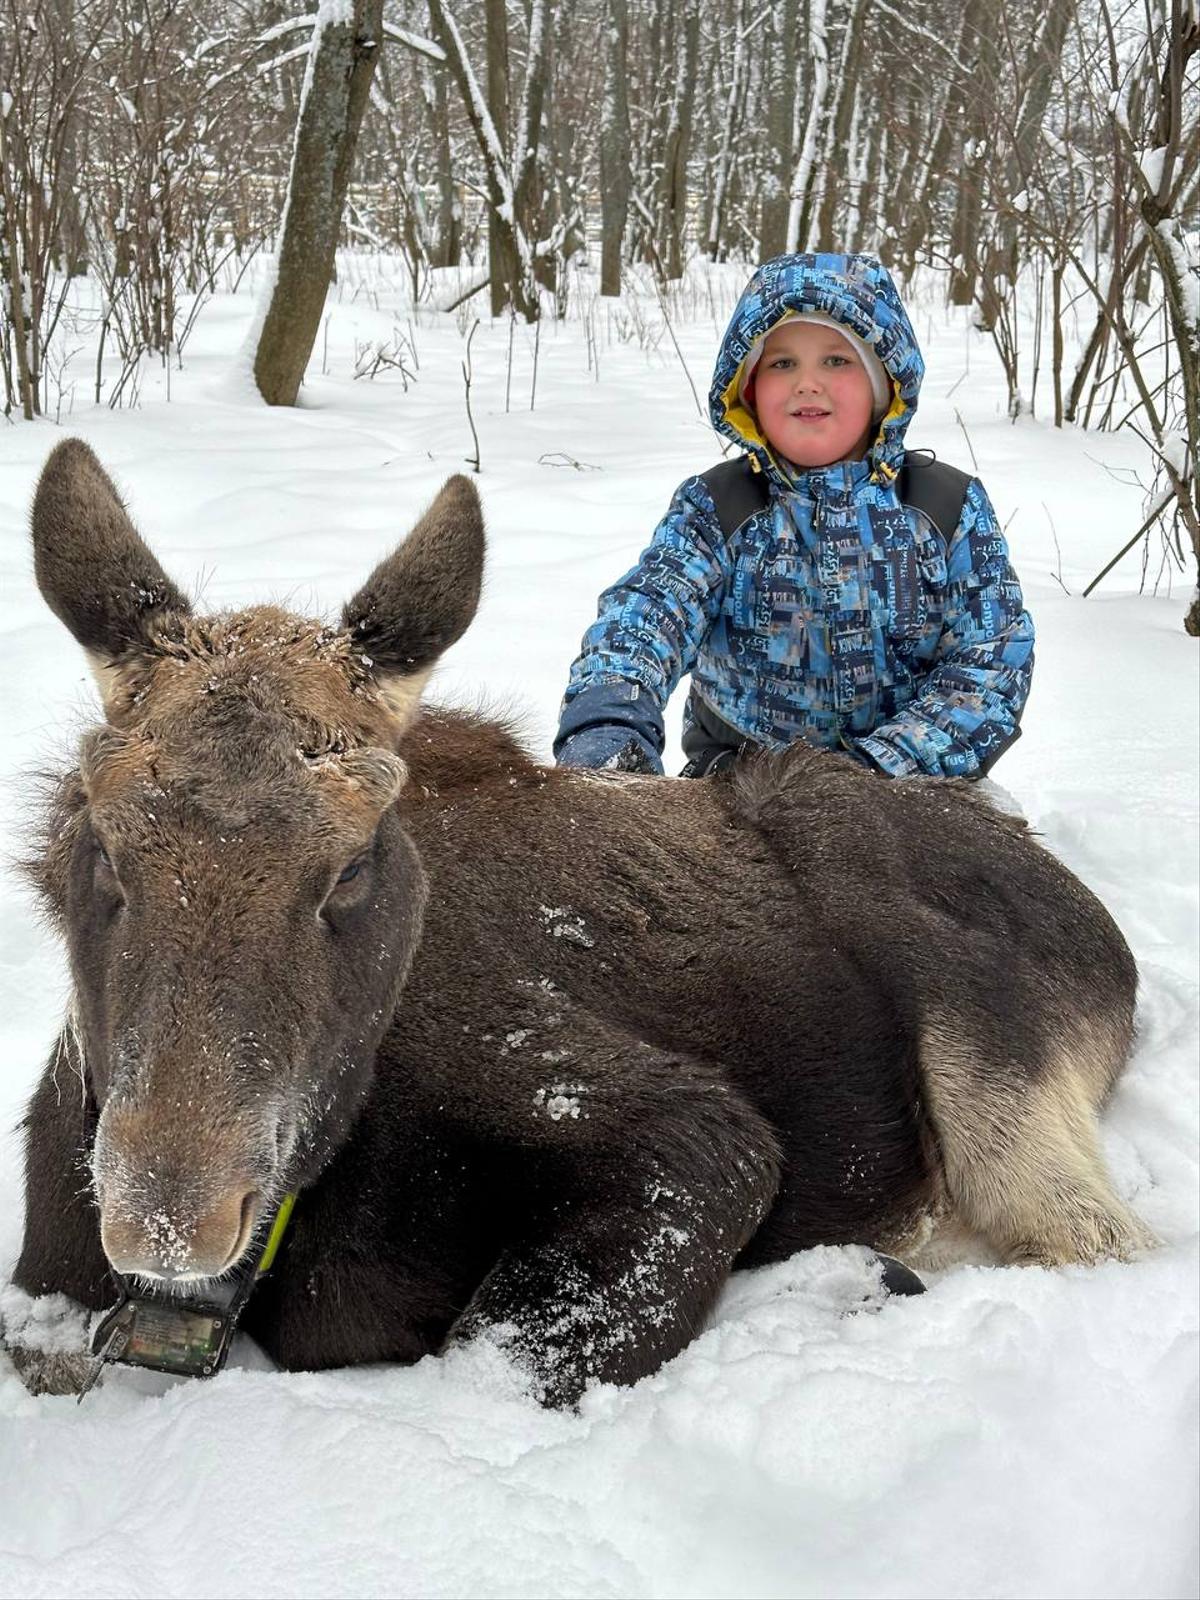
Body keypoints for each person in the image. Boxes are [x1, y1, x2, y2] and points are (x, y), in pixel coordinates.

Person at [553, 252, 1034, 781]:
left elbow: (992, 657)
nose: (808, 383)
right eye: (782, 363)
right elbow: (647, 615)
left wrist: (881, 769)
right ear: (749, 388)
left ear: (884, 384)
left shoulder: (945, 508)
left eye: (836, 360)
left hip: (910, 795)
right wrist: (608, 721)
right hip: (739, 790)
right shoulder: (717, 508)